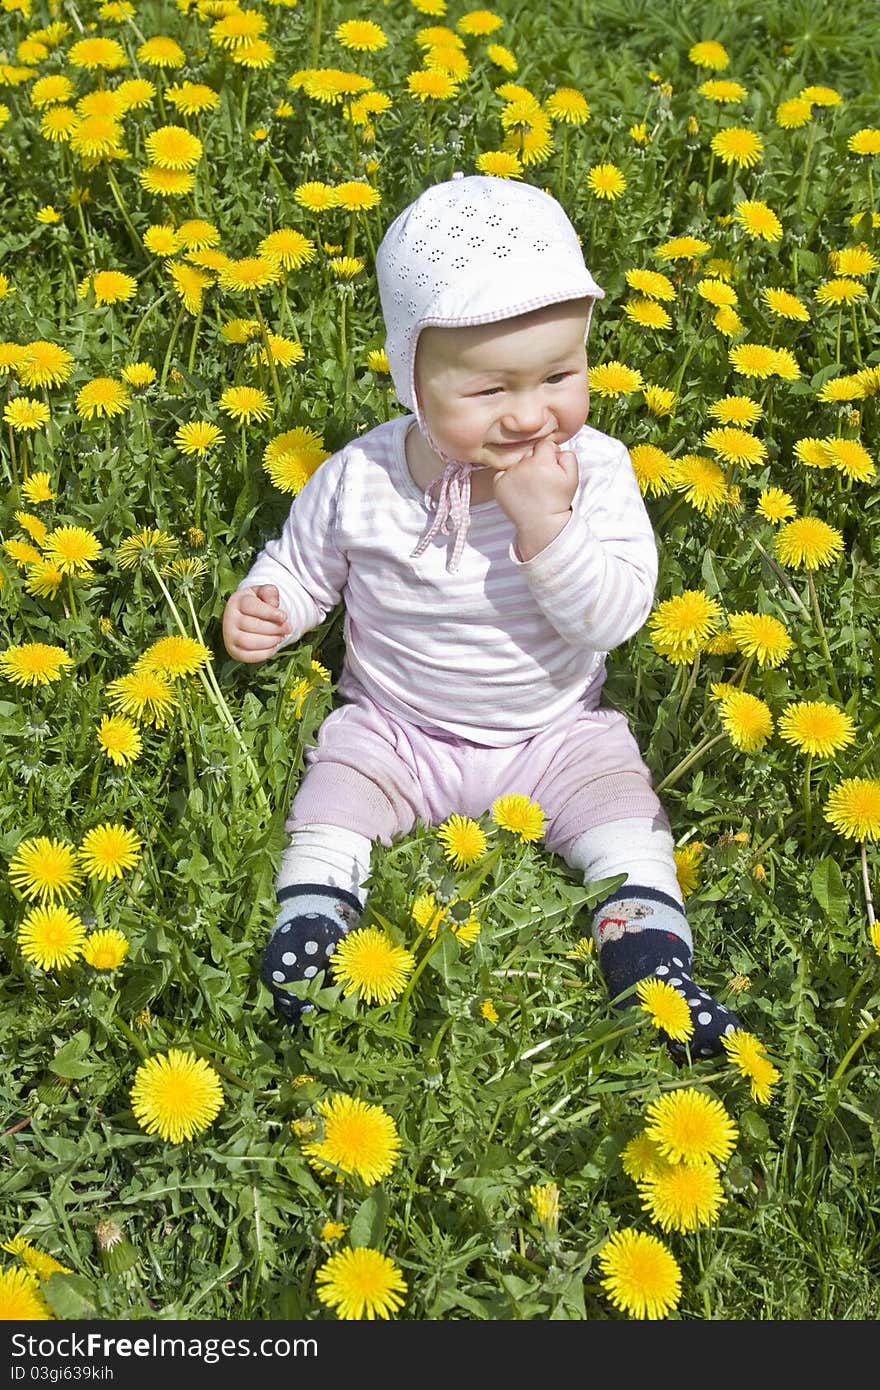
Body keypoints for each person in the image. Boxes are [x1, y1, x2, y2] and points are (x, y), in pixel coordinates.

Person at [221, 173, 740, 1058]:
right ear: (411, 380)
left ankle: (652, 962)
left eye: (559, 375)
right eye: (491, 390)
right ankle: (312, 935)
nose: (532, 414)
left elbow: (611, 617)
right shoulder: (363, 475)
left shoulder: (599, 473)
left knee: (624, 813)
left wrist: (550, 529)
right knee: (334, 798)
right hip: (398, 725)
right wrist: (273, 604)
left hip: (554, 729)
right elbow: (309, 561)